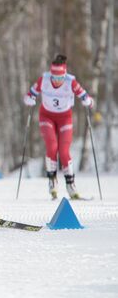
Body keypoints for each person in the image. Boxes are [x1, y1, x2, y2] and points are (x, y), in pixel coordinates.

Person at [23, 54, 94, 199]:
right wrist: (29, 99)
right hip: (46, 116)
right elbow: (29, 95)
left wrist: (88, 101)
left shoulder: (71, 81)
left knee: (64, 151)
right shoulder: (44, 79)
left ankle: (71, 185)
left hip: (65, 118)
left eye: (60, 78)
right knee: (52, 146)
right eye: (54, 78)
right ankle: (52, 181)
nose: (56, 81)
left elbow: (86, 97)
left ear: (64, 75)